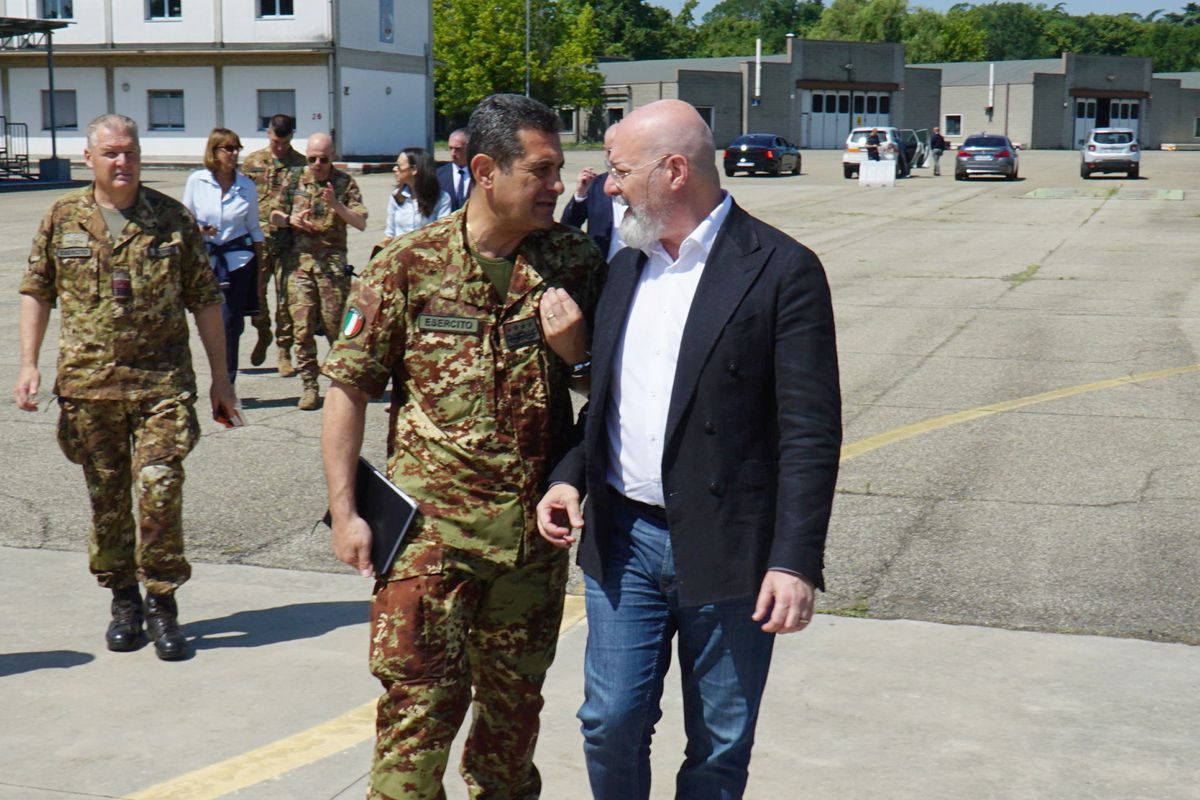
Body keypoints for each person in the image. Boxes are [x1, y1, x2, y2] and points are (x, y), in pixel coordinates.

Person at [535, 99, 842, 799]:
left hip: (732, 552)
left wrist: (794, 560)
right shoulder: (624, 266)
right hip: (627, 541)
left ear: (674, 171)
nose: (607, 187)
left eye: (618, 172)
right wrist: (568, 479)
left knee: (721, 745)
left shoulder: (781, 270)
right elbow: (610, 405)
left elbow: (810, 432)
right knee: (608, 721)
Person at [321, 93, 604, 800]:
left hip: (528, 549)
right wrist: (346, 511)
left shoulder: (572, 260)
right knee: (414, 727)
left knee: (511, 734)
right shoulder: (407, 265)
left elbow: (613, 392)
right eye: (540, 171)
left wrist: (576, 353)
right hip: (429, 542)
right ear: (484, 169)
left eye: (558, 170)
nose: (556, 185)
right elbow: (348, 388)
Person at [13, 113, 238, 662]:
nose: (122, 162)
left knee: (160, 488)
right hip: (89, 386)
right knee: (108, 501)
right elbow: (36, 291)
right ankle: (123, 601)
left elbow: (206, 299)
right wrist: (28, 364)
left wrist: (221, 379)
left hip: (161, 383)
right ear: (88, 158)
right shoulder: (63, 218)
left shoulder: (171, 219)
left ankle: (162, 601)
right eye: (111, 153)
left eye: (130, 152)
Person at [268, 132, 367, 410]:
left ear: (333, 156)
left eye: (323, 159)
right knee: (302, 328)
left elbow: (360, 221)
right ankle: (309, 386)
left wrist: (337, 205)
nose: (317, 164)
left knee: (337, 327)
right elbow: (272, 215)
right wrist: (290, 220)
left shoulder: (345, 183)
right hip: (299, 265)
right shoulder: (294, 179)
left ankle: (341, 382)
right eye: (312, 158)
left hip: (332, 269)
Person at [183, 128, 267, 384]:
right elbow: (184, 221)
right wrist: (199, 230)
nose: (233, 153)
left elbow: (254, 227)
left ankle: (225, 383)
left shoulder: (246, 186)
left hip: (239, 261)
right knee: (214, 322)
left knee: (230, 322)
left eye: (236, 148)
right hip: (207, 260)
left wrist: (261, 264)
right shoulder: (197, 181)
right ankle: (219, 371)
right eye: (228, 148)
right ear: (214, 152)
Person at [242, 113, 307, 376]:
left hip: (289, 241)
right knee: (256, 294)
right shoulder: (252, 162)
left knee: (286, 299)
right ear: (268, 134)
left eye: (284, 142)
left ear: (291, 135)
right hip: (259, 240)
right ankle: (263, 331)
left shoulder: (301, 164)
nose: (279, 147)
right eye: (275, 141)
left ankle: (284, 350)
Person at [560, 123, 626, 261]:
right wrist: (580, 195)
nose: (615, 158)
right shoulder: (596, 184)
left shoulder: (646, 185)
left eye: (623, 150)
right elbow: (568, 226)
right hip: (603, 269)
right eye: (611, 151)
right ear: (605, 151)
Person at [381, 147, 451, 245]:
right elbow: (390, 233)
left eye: (399, 166)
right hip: (399, 255)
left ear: (414, 169)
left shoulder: (441, 198)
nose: (394, 169)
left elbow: (442, 233)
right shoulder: (396, 196)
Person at [437, 128, 472, 212]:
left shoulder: (480, 174)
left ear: (469, 148)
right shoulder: (438, 175)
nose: (453, 153)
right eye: (450, 148)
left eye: (458, 149)